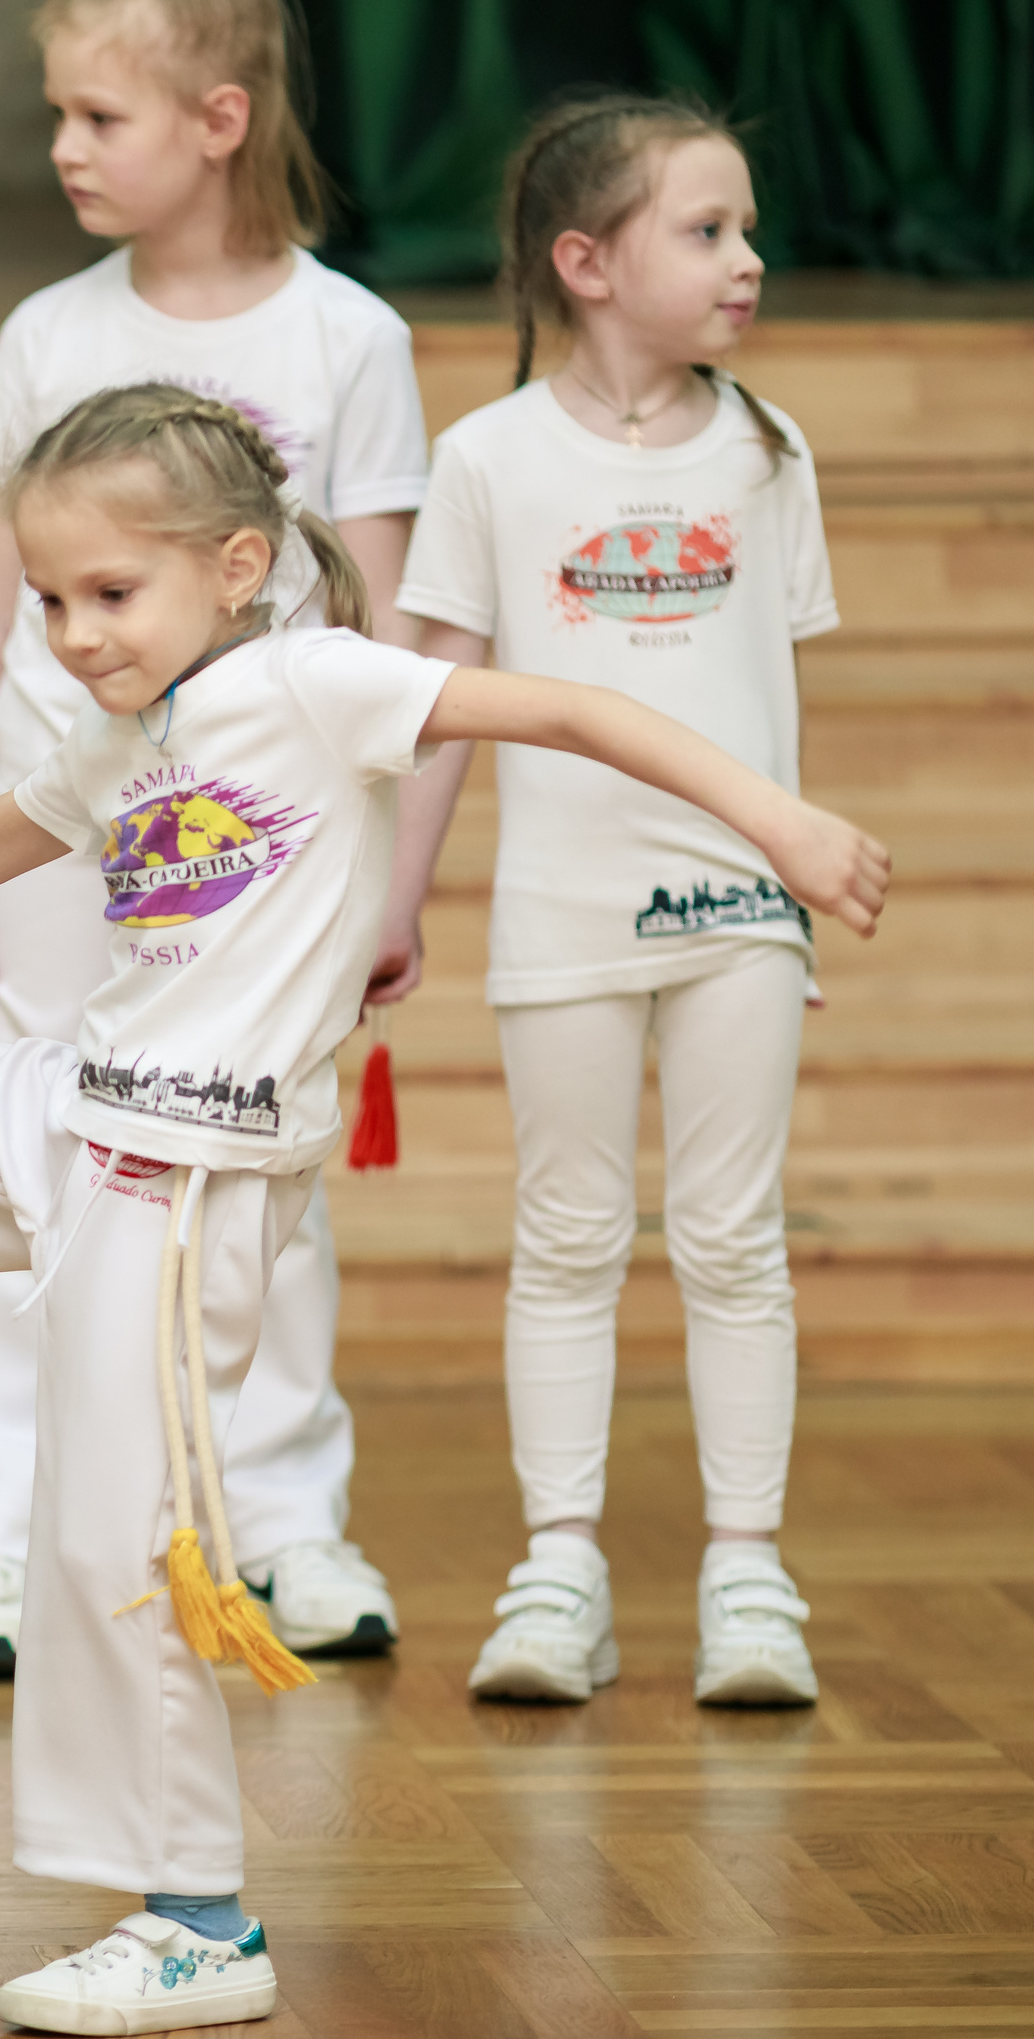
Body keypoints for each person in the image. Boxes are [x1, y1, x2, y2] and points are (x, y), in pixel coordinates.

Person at [0, 381, 887, 2032]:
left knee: (115, 1542)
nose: (69, 632)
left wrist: (780, 824)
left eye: (108, 594)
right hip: (69, 1106)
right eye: (47, 600)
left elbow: (570, 715)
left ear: (240, 565)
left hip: (184, 1181)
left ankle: (200, 1925)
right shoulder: (117, 738)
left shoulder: (318, 682)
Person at [0, 0, 427, 1678]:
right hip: (68, 820)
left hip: (267, 847)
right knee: (23, 1148)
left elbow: (384, 628)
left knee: (257, 1162)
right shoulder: (47, 333)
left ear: (218, 120)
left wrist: (403, 877)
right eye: (54, 113)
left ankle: (281, 1519)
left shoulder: (349, 338)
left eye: (99, 118)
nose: (63, 147)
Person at [377, 93, 857, 1708]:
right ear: (585, 261)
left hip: (736, 913)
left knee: (734, 1239)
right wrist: (397, 899)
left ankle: (748, 1577)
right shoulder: (487, 460)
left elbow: (766, 698)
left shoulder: (766, 451)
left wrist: (790, 858)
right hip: (561, 916)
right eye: (706, 231)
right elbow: (431, 700)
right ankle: (557, 1572)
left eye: (746, 228)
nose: (749, 260)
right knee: (568, 1236)